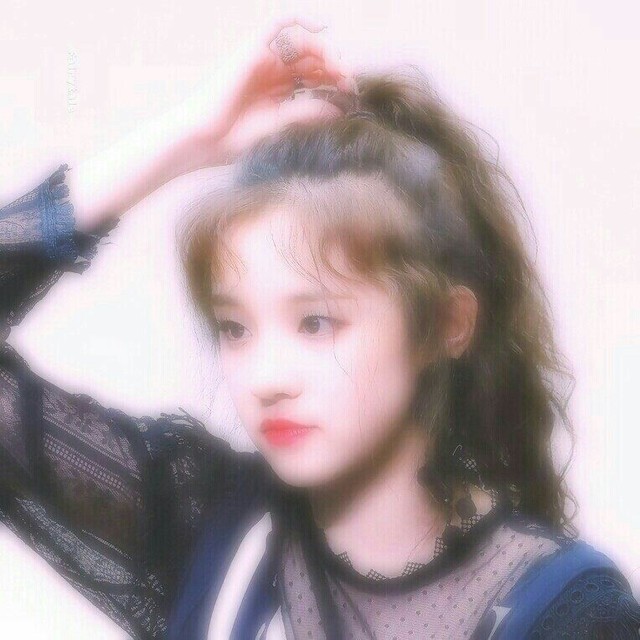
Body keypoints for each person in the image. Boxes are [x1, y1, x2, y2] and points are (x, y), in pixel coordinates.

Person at [0, 18, 638, 640]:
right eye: (235, 327)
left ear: (445, 324)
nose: (266, 378)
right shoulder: (210, 527)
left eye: (315, 322)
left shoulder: (561, 611)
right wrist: (189, 140)